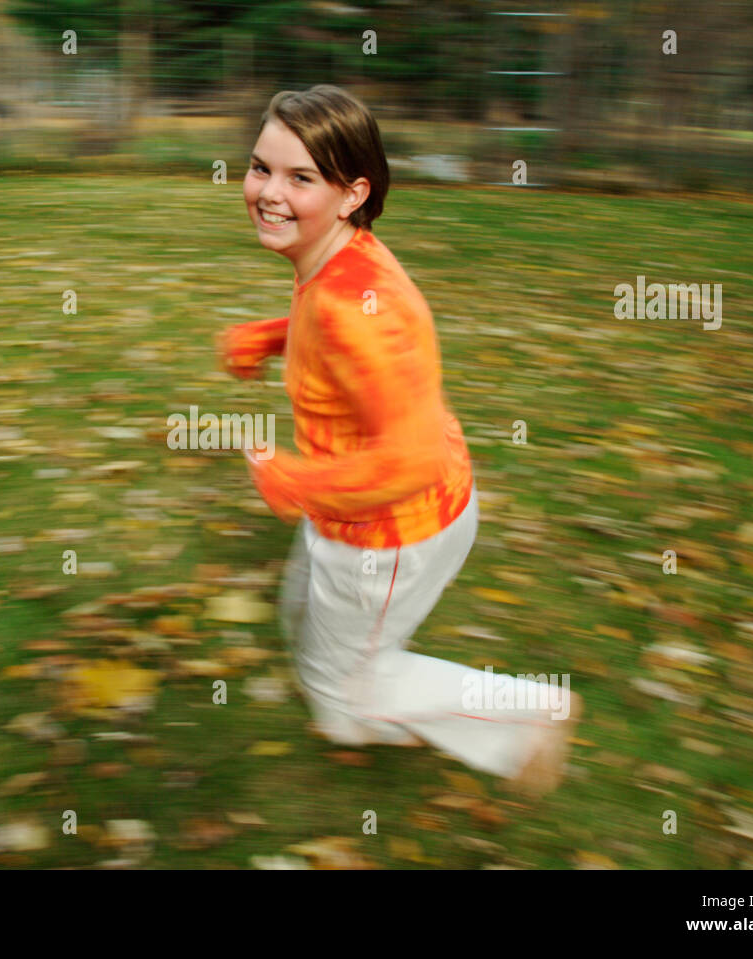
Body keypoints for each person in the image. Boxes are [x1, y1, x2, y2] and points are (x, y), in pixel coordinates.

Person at [219, 85, 581, 795]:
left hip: (388, 532)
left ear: (353, 191)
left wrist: (294, 483)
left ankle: (531, 714)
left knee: (344, 701)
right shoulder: (338, 262)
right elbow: (336, 345)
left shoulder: (355, 305)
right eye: (262, 167)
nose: (268, 192)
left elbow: (407, 459)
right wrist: (269, 338)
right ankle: (359, 675)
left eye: (301, 178)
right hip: (401, 504)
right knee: (305, 615)